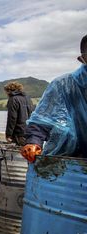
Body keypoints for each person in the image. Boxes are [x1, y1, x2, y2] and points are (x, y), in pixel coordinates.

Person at [21, 34, 87, 162]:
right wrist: (33, 142)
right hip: (69, 161)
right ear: (83, 59)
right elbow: (41, 122)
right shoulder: (63, 85)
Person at [4, 82, 34, 146]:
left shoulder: (13, 99)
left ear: (9, 90)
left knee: (18, 153)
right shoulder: (28, 98)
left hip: (19, 132)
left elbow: (12, 118)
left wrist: (8, 135)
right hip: (30, 131)